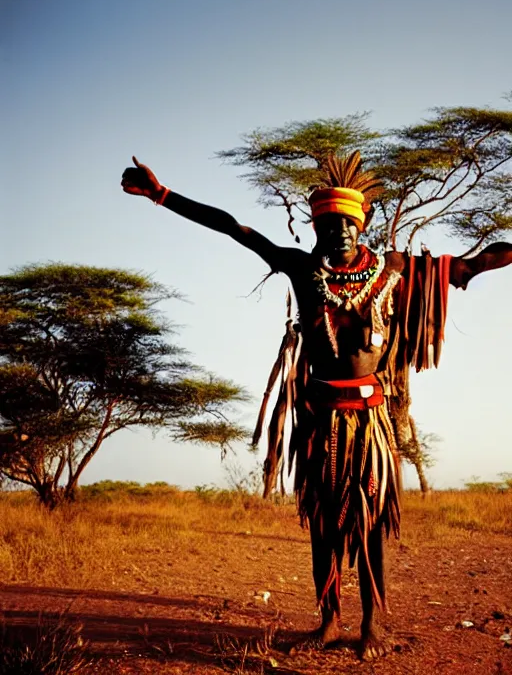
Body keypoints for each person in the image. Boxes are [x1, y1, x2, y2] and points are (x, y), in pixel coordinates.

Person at [121, 153, 512, 659]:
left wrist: (488, 260)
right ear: (316, 228)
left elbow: (473, 264)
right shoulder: (302, 269)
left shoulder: (394, 269)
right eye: (328, 224)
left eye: (347, 223)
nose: (339, 232)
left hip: (370, 424)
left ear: (363, 222)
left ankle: (374, 623)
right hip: (320, 420)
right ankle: (328, 620)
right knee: (323, 523)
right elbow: (235, 229)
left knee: (369, 521)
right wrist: (162, 195)